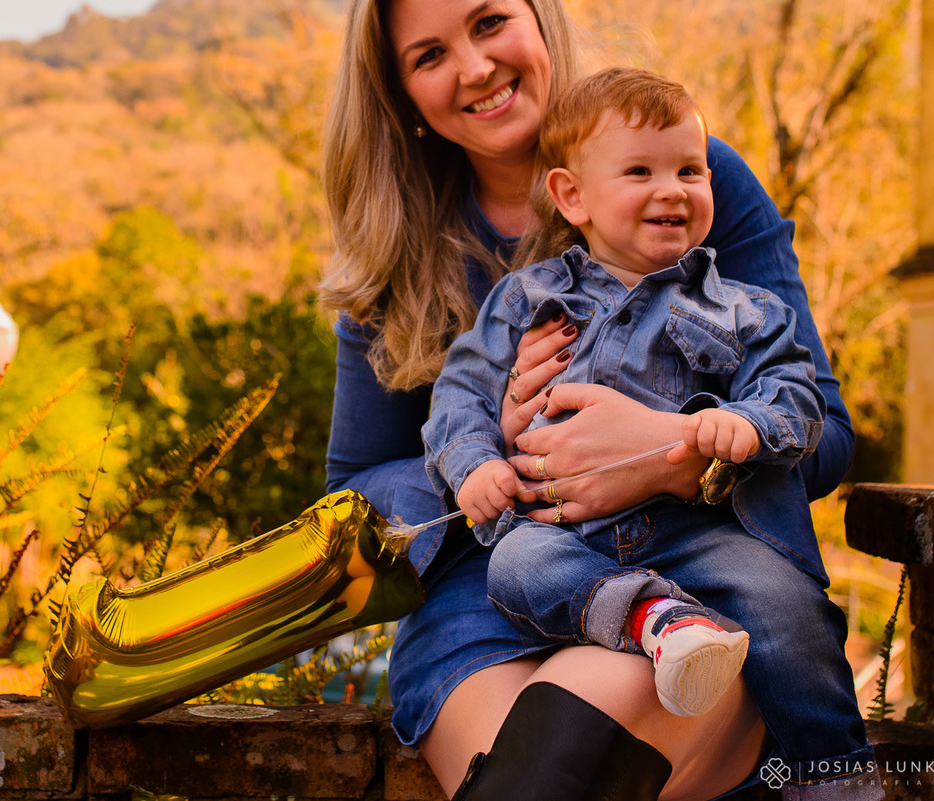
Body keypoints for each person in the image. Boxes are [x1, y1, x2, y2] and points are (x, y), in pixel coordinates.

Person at [321, 1, 874, 799]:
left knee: (586, 727)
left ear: (541, 20)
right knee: (531, 775)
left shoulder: (686, 176)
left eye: (488, 22)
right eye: (429, 55)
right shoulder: (395, 244)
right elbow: (355, 491)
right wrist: (492, 458)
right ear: (401, 93)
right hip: (494, 586)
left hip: (697, 570)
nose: (476, 67)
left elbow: (824, 430)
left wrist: (676, 456)